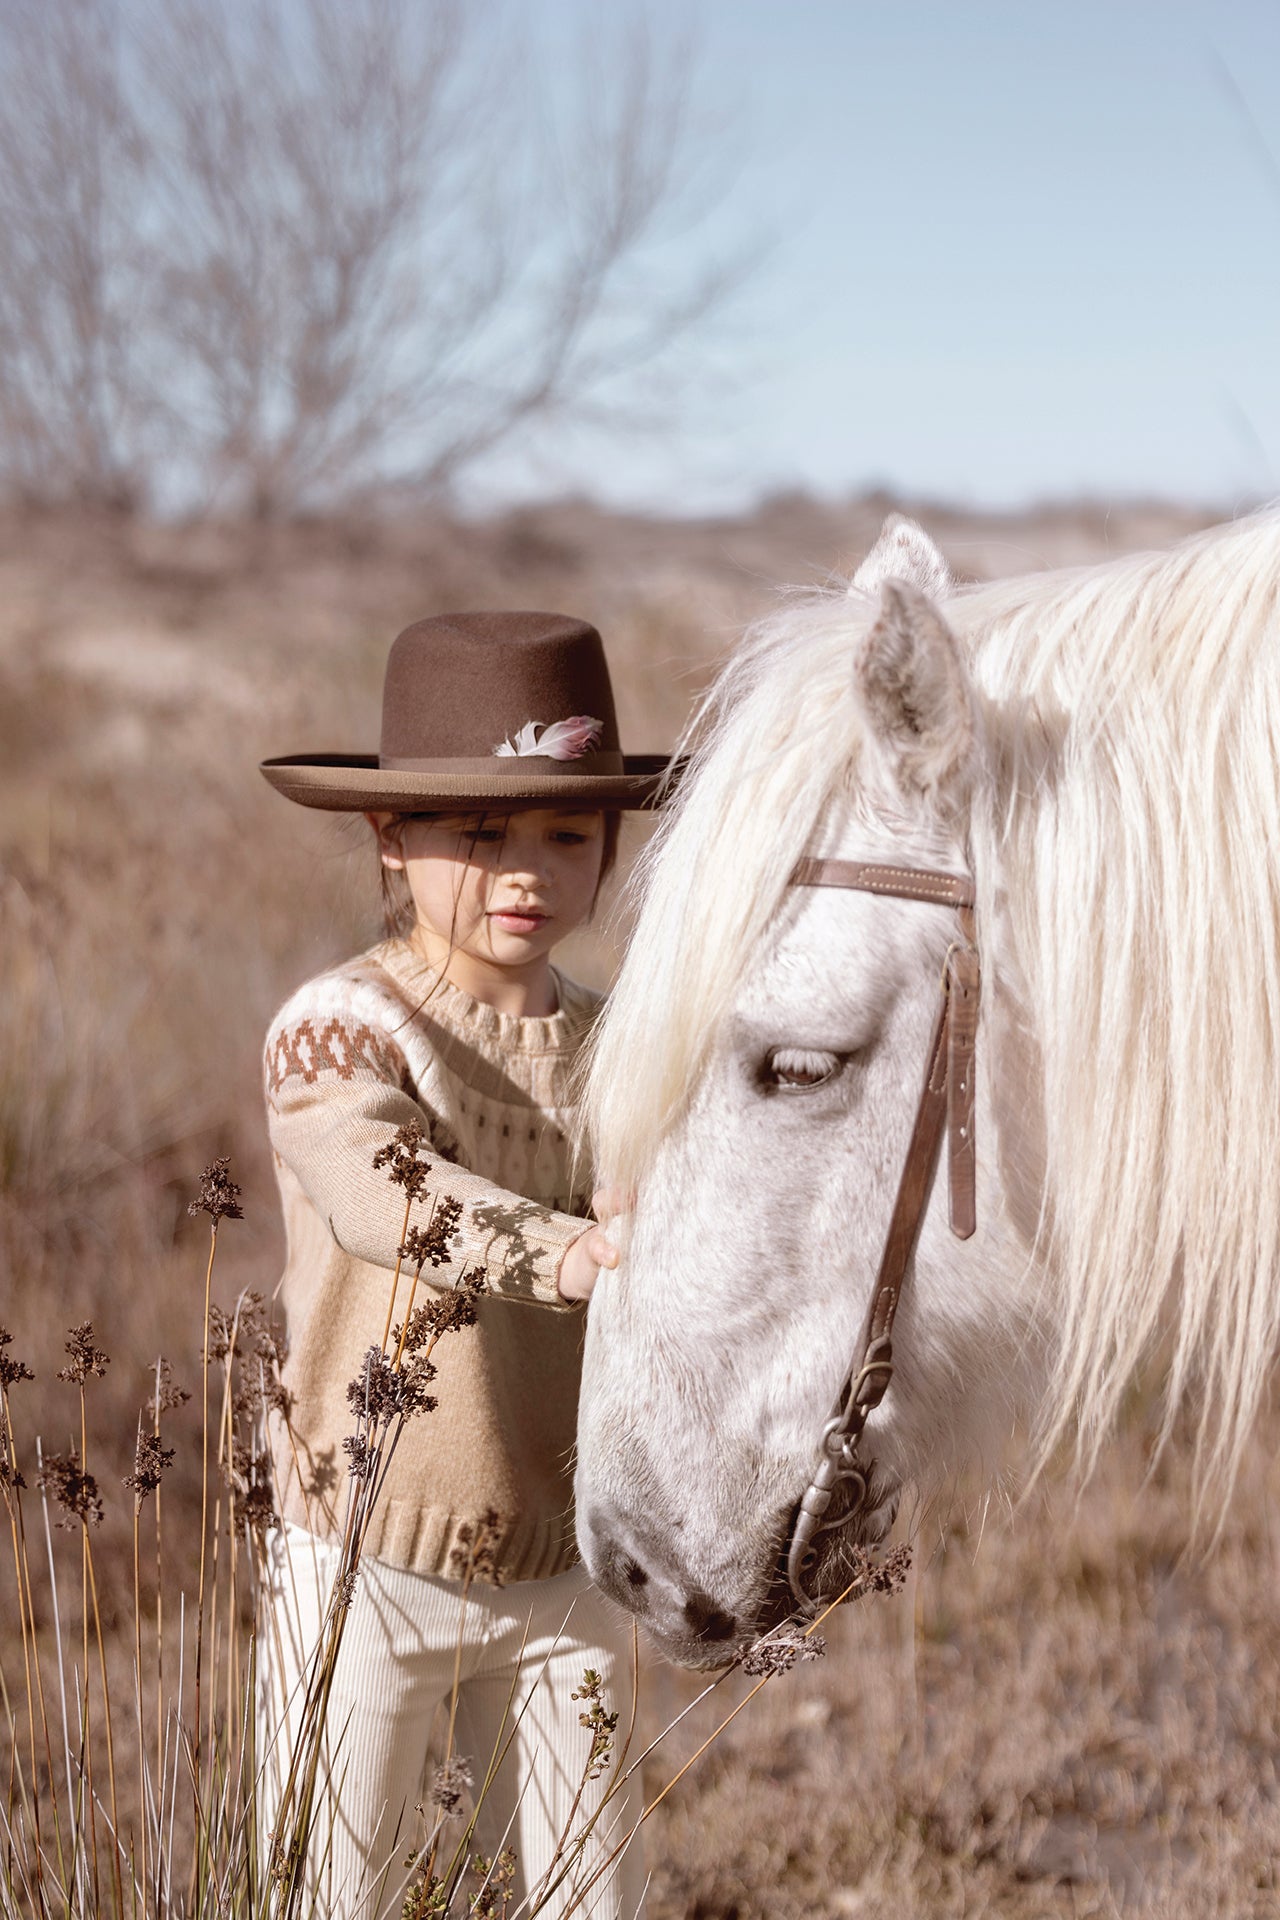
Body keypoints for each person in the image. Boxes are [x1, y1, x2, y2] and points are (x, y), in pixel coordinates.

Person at [256, 611, 668, 1919]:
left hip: (570, 1570)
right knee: (329, 1887)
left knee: (596, 1887)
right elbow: (387, 1194)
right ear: (391, 835)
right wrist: (575, 1250)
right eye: (479, 834)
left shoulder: (628, 1045)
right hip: (364, 1556)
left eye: (563, 834)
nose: (525, 873)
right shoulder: (341, 1025)